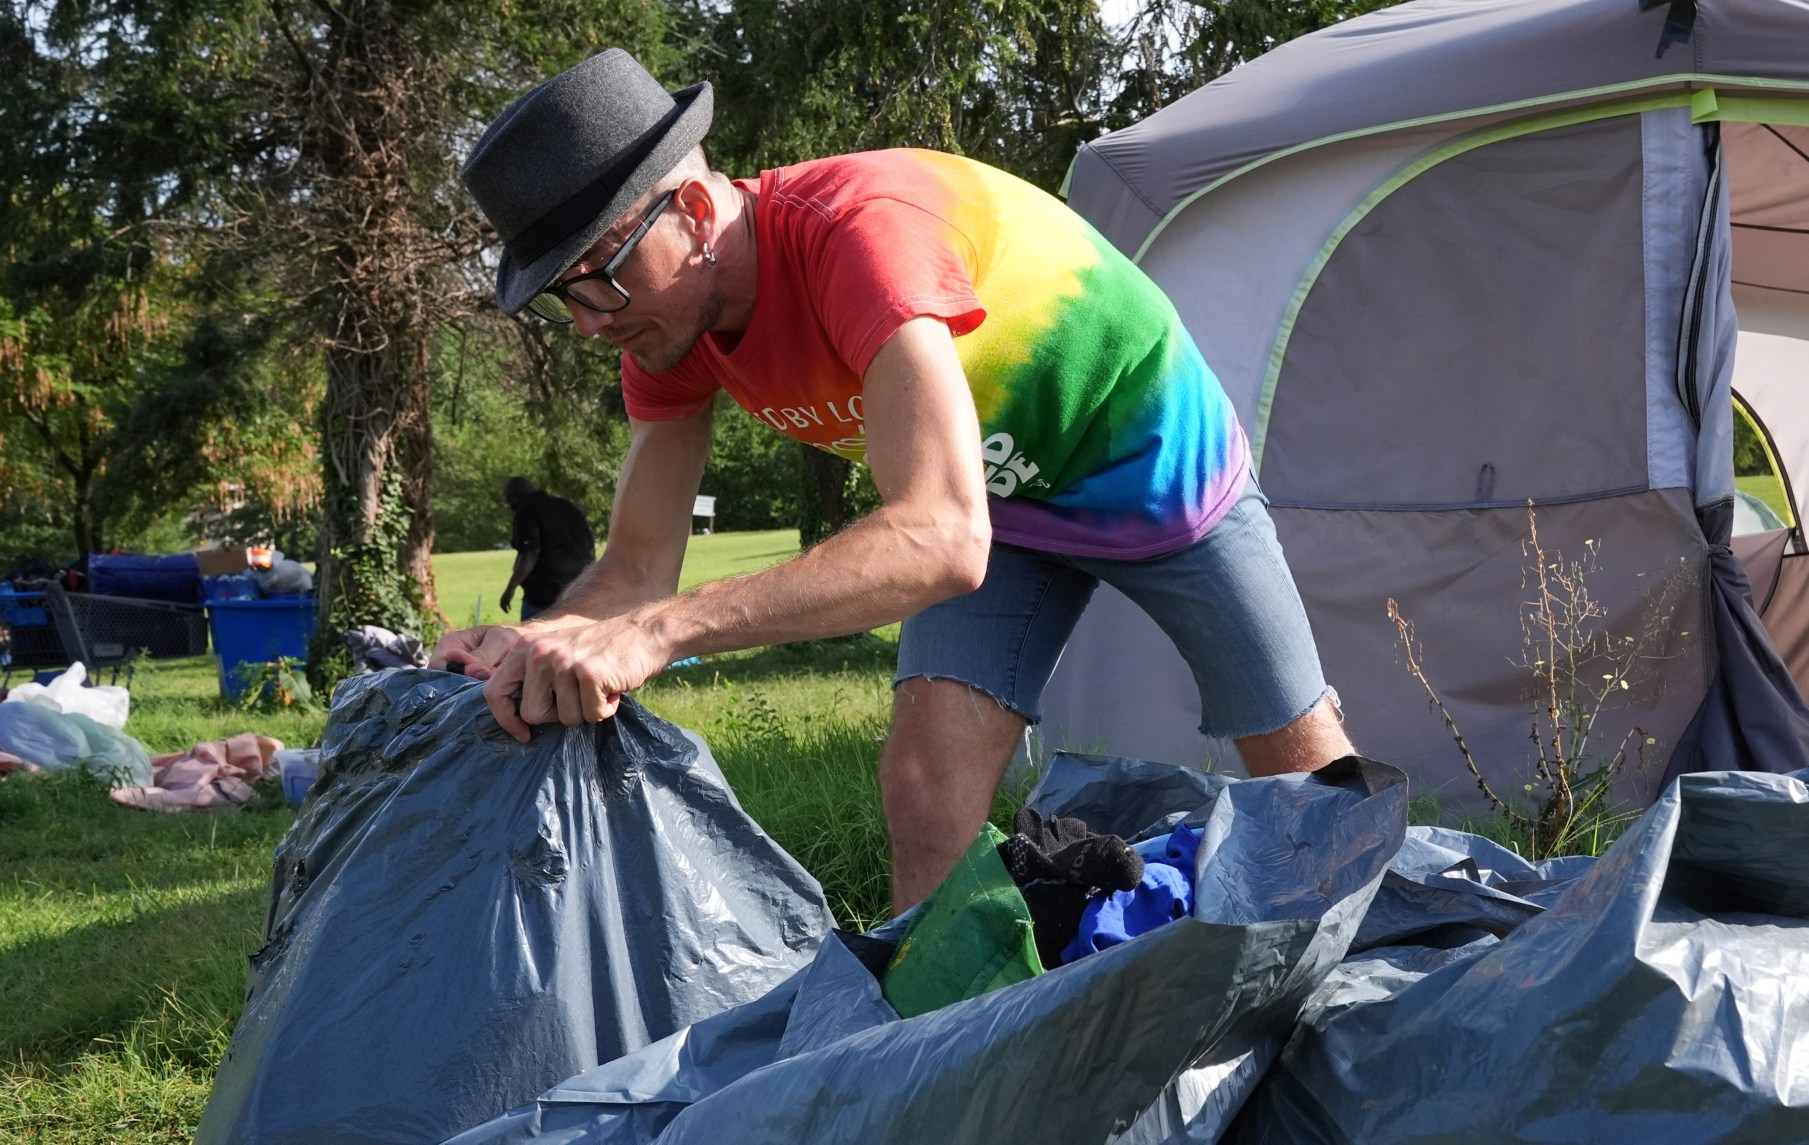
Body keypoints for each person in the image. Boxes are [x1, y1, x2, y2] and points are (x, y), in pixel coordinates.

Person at [435, 50, 1353, 909]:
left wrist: (662, 633)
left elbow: (940, 539)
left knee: (1305, 782)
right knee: (925, 786)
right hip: (995, 505)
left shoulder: (861, 236)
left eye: (598, 280)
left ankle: (1383, 993)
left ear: (698, 216)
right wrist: (534, 640)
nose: (591, 325)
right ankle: (949, 1056)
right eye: (567, 297)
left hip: (1154, 466)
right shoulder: (668, 331)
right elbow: (636, 570)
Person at [498, 476, 597, 622]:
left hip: (544, 595)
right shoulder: (567, 507)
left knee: (533, 639)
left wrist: (510, 588)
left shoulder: (526, 512)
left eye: (509, 502)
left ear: (514, 499)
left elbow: (529, 554)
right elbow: (591, 550)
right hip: (580, 590)